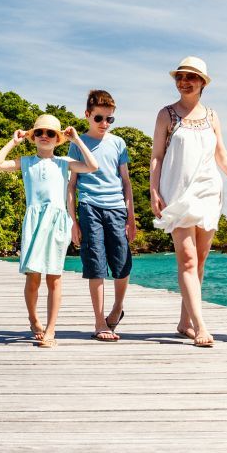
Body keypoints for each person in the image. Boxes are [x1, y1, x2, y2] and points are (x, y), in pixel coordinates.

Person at [149, 57, 227, 348]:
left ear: (203, 82)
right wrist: (153, 191)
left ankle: (184, 322)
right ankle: (200, 325)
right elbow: (156, 156)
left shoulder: (212, 116)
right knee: (188, 259)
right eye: (180, 77)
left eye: (191, 77)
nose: (185, 82)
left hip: (208, 192)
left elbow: (223, 157)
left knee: (200, 260)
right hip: (177, 193)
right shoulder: (166, 115)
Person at [0, 114, 102, 348]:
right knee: (33, 278)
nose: (44, 136)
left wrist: (78, 140)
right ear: (33, 137)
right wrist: (14, 142)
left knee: (55, 278)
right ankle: (34, 319)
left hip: (57, 222)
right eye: (39, 132)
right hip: (34, 221)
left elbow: (92, 165)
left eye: (50, 133)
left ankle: (51, 330)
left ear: (57, 138)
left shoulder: (64, 162)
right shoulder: (26, 161)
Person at [66, 89, 137, 342]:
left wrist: (131, 217)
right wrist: (73, 221)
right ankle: (99, 321)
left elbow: (126, 182)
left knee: (121, 262)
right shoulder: (77, 145)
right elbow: (71, 185)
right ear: (87, 115)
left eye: (109, 119)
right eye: (99, 118)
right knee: (95, 263)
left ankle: (117, 308)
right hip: (89, 207)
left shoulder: (118, 143)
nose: (104, 124)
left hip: (117, 207)